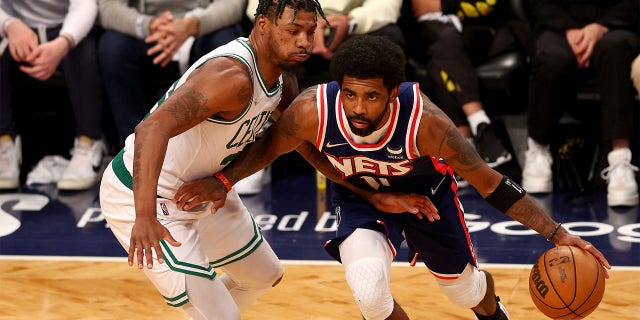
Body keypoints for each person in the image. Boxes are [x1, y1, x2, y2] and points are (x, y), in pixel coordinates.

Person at [173, 35, 611, 320]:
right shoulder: (311, 110)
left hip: (427, 199)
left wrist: (556, 234)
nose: (358, 108)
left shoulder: (428, 125)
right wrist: (225, 180)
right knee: (369, 291)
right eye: (349, 94)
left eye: (372, 97)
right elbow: (269, 148)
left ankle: (492, 308)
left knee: (465, 294)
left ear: (394, 93)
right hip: (362, 199)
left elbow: (490, 183)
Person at [98, 2, 434, 319]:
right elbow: (149, 129)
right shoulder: (231, 77)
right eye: (293, 30)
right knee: (223, 315)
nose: (304, 41)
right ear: (262, 24)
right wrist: (143, 216)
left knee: (263, 275)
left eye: (310, 30)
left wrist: (369, 194)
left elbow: (301, 144)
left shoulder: (283, 82)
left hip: (199, 189)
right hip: (143, 195)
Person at [522, 0, 639, 207]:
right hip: (558, 26)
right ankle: (538, 149)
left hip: (617, 25)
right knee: (551, 57)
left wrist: (601, 27)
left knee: (615, 49)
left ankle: (620, 158)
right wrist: (569, 28)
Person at [97, 0, 247, 148]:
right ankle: (133, 149)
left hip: (203, 25)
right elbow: (109, 7)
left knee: (228, 43)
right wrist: (149, 25)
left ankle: (226, 148)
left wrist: (193, 25)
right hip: (147, 27)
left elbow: (233, 4)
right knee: (113, 48)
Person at [0, 0, 105, 191]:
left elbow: (85, 5)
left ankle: (89, 143)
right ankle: (4, 144)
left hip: (65, 26)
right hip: (17, 27)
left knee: (83, 51)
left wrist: (63, 42)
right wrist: (8, 24)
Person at [406, 0, 516, 169]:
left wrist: (444, 5)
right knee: (443, 43)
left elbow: (491, 5)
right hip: (421, 33)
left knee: (442, 52)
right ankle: (479, 123)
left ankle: (463, 146)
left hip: (475, 31)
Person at [247, 0, 406, 89]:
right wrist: (306, 27)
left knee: (389, 38)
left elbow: (386, 3)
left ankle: (382, 112)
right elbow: (257, 6)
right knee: (273, 38)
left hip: (349, 26)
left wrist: (351, 21)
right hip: (292, 22)